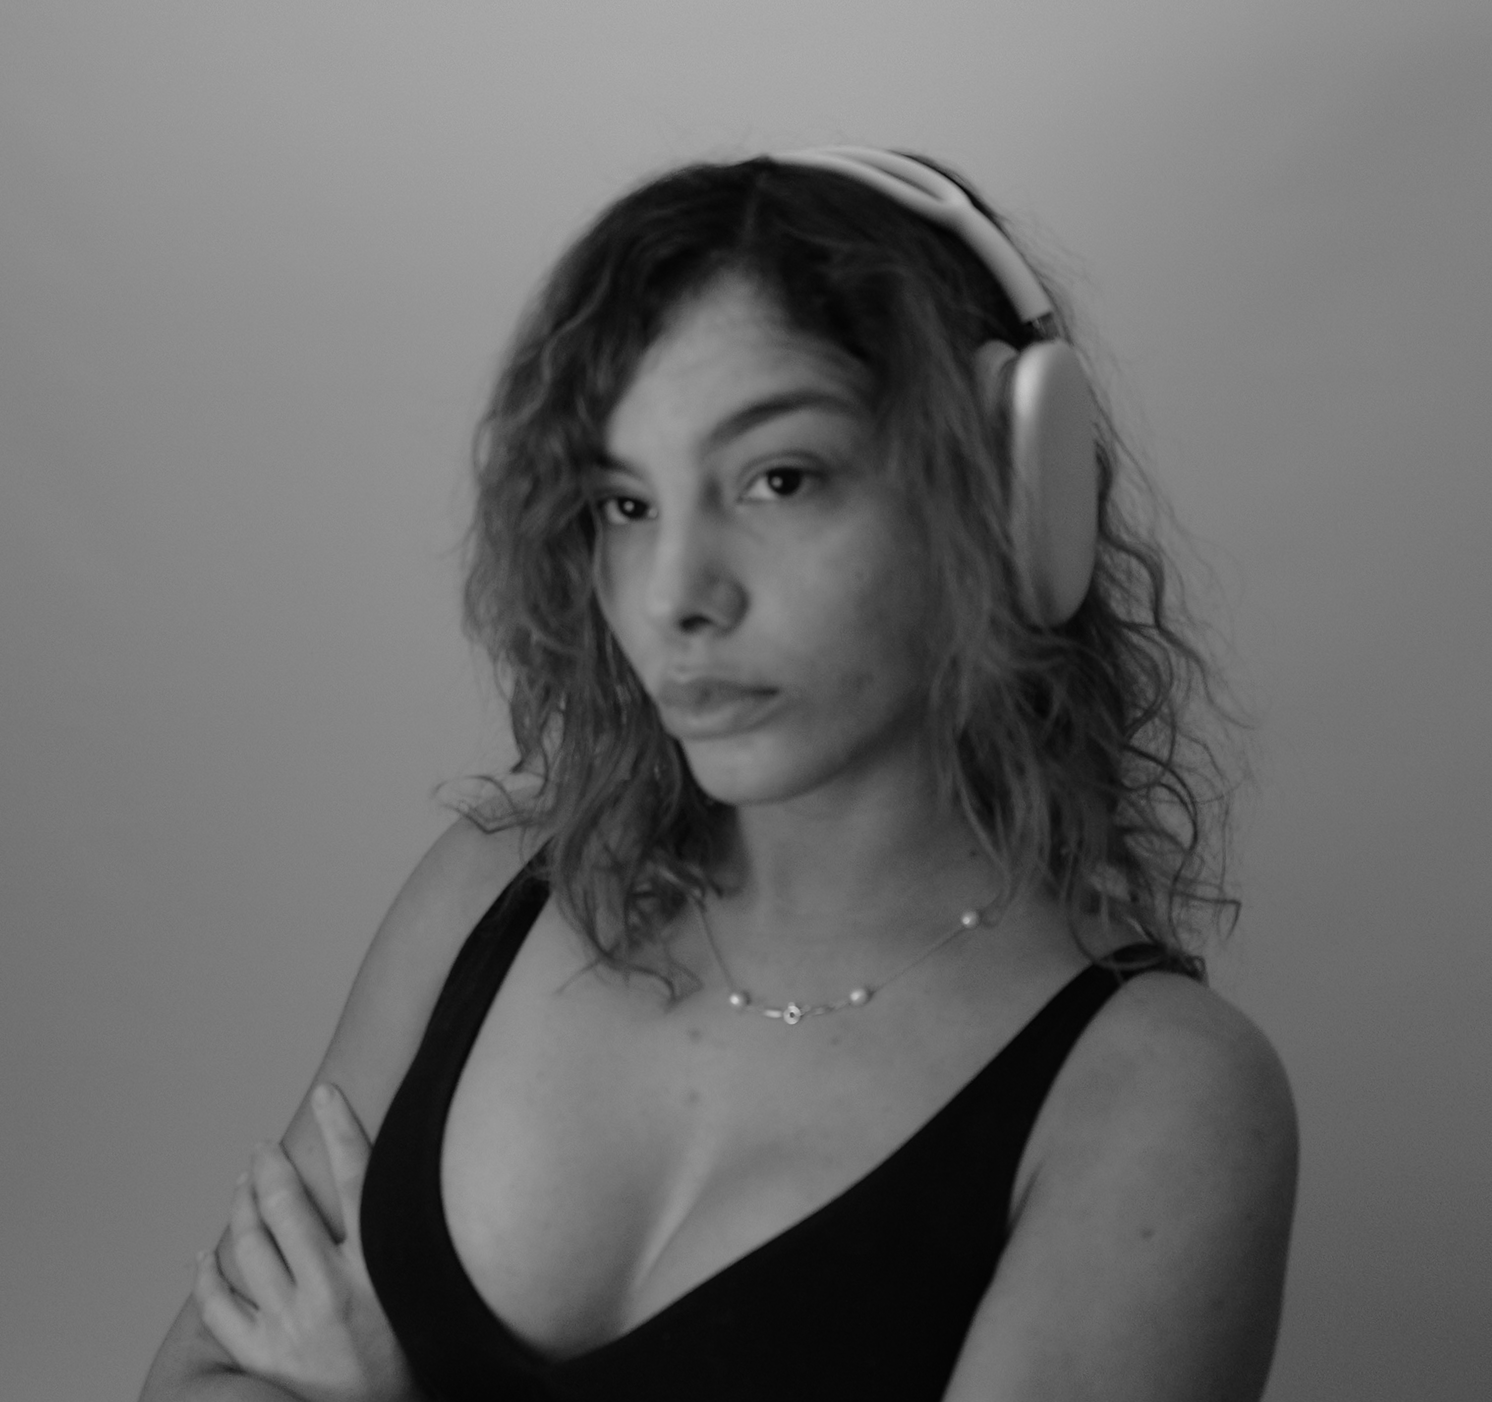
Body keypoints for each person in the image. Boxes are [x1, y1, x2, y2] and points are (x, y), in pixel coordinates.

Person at [140, 147, 1297, 1401]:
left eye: (777, 480)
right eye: (625, 505)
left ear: (1013, 492)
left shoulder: (1156, 1097)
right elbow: (196, 1377)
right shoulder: (484, 893)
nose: (675, 596)